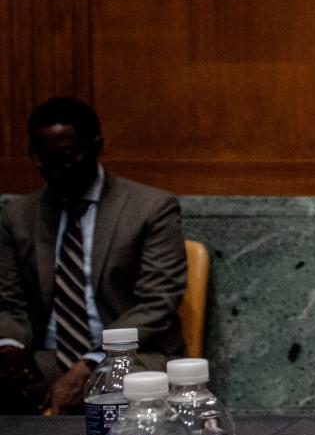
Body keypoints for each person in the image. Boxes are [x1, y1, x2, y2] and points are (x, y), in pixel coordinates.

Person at [0, 97, 187, 413]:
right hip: (47, 354)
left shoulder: (150, 208)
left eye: (69, 155)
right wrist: (9, 347)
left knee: (127, 389)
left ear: (96, 145)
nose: (58, 168)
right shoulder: (17, 216)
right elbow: (10, 303)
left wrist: (92, 361)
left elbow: (158, 302)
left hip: (131, 353)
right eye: (44, 157)